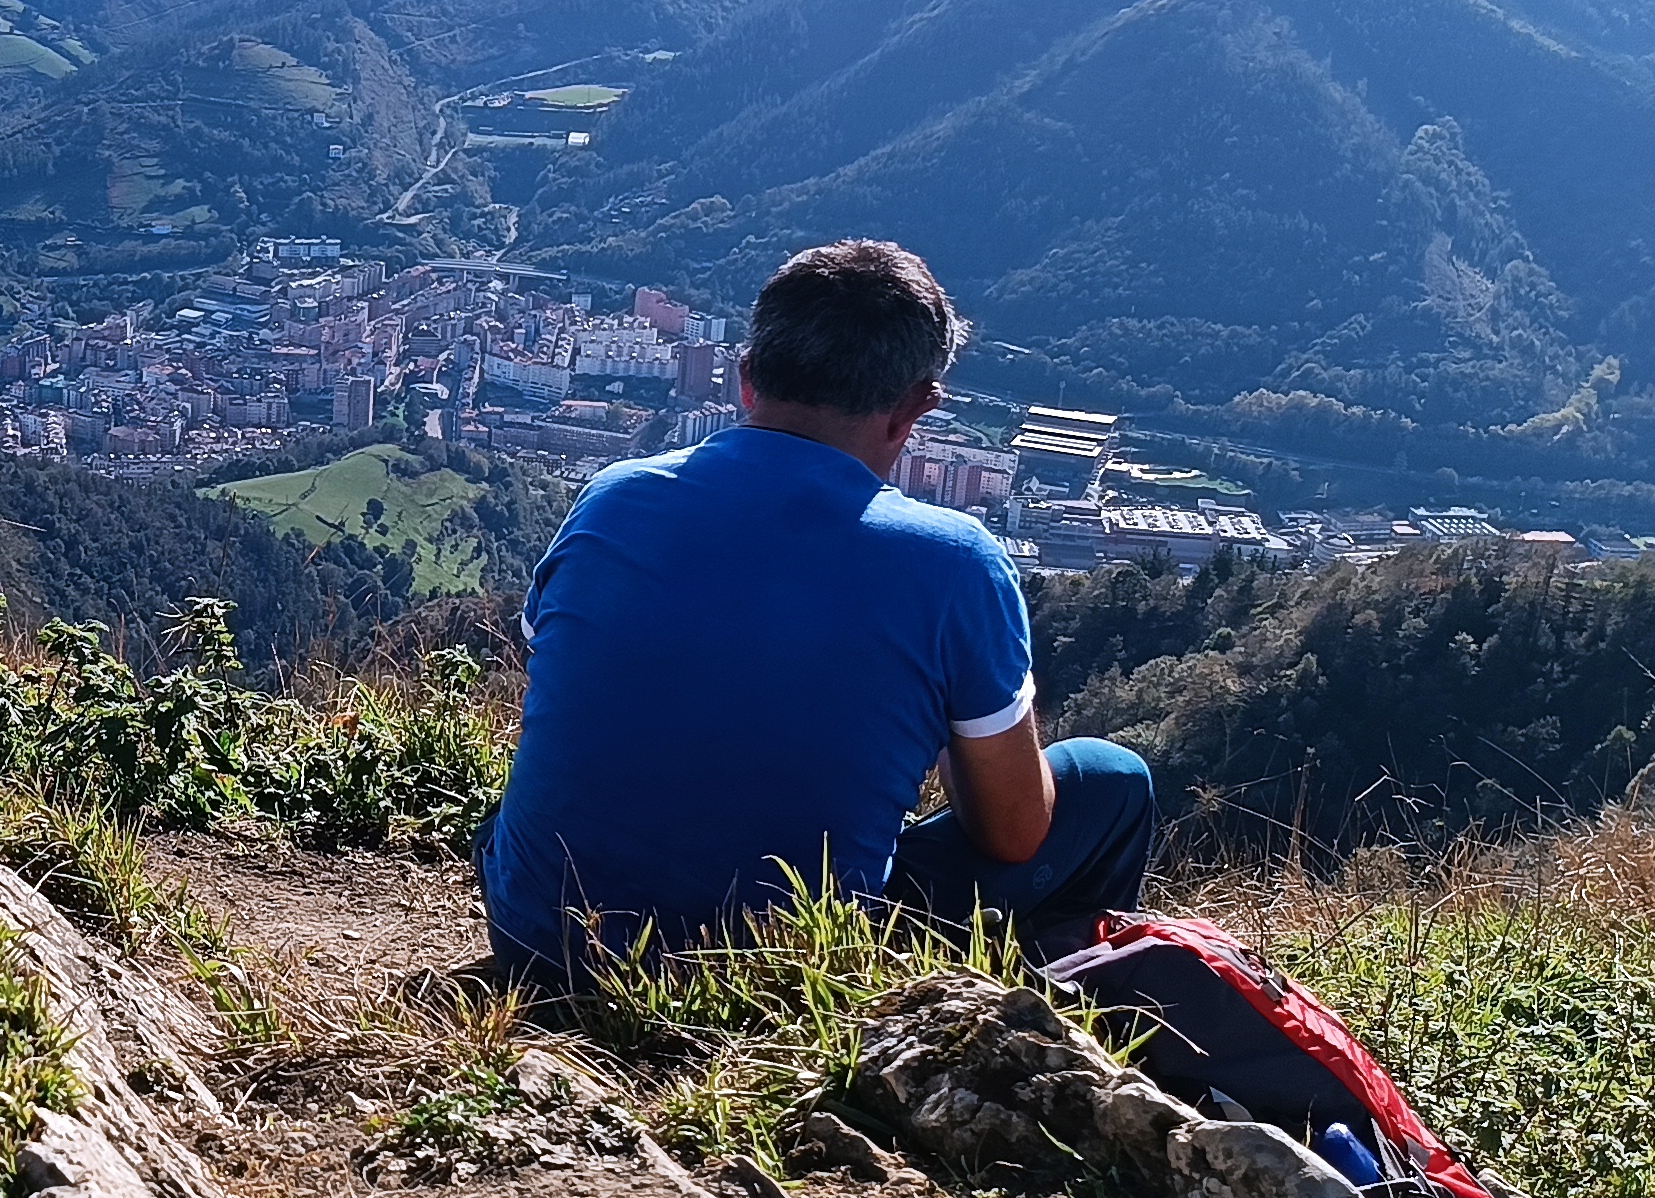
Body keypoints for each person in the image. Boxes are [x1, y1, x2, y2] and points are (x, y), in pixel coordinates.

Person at [479, 239, 1156, 989]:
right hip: (780, 975)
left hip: (542, 940)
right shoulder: (955, 562)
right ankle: (1025, 1021)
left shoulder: (614, 498)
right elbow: (1015, 833)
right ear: (914, 411)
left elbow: (558, 687)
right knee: (1111, 779)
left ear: (746, 379)